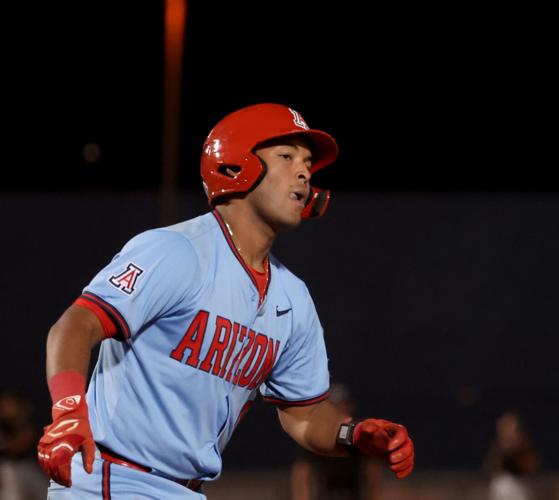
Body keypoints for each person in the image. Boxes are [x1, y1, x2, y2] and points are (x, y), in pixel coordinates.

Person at [36, 103, 415, 498]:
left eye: (306, 162)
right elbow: (75, 326)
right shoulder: (176, 251)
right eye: (286, 156)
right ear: (235, 166)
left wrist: (352, 435)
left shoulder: (293, 297)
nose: (304, 171)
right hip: (111, 479)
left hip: (186, 491)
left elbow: (304, 414)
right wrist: (67, 411)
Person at [290, 384, 382, 500]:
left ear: (349, 407)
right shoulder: (315, 435)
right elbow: (302, 474)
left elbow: (372, 474)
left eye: (342, 406)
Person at [483, 411, 540, 500]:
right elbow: (491, 467)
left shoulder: (524, 446)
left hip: (519, 484)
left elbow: (530, 466)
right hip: (503, 484)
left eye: (511, 426)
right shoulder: (498, 447)